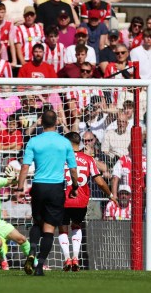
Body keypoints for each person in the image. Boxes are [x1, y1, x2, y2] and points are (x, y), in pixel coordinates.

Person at [18, 110, 78, 276]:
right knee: (49, 228)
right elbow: (73, 169)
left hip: (38, 186)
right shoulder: (65, 142)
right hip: (56, 187)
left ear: (41, 122)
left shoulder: (34, 141)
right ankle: (40, 266)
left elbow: (25, 167)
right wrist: (75, 186)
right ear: (57, 122)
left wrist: (19, 186)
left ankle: (31, 254)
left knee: (37, 222)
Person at [58, 132, 115, 271]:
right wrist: (110, 194)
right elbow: (100, 182)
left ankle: (67, 258)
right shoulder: (89, 159)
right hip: (81, 201)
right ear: (80, 143)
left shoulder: (60, 158)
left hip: (63, 199)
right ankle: (76, 258)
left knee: (62, 228)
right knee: (77, 226)